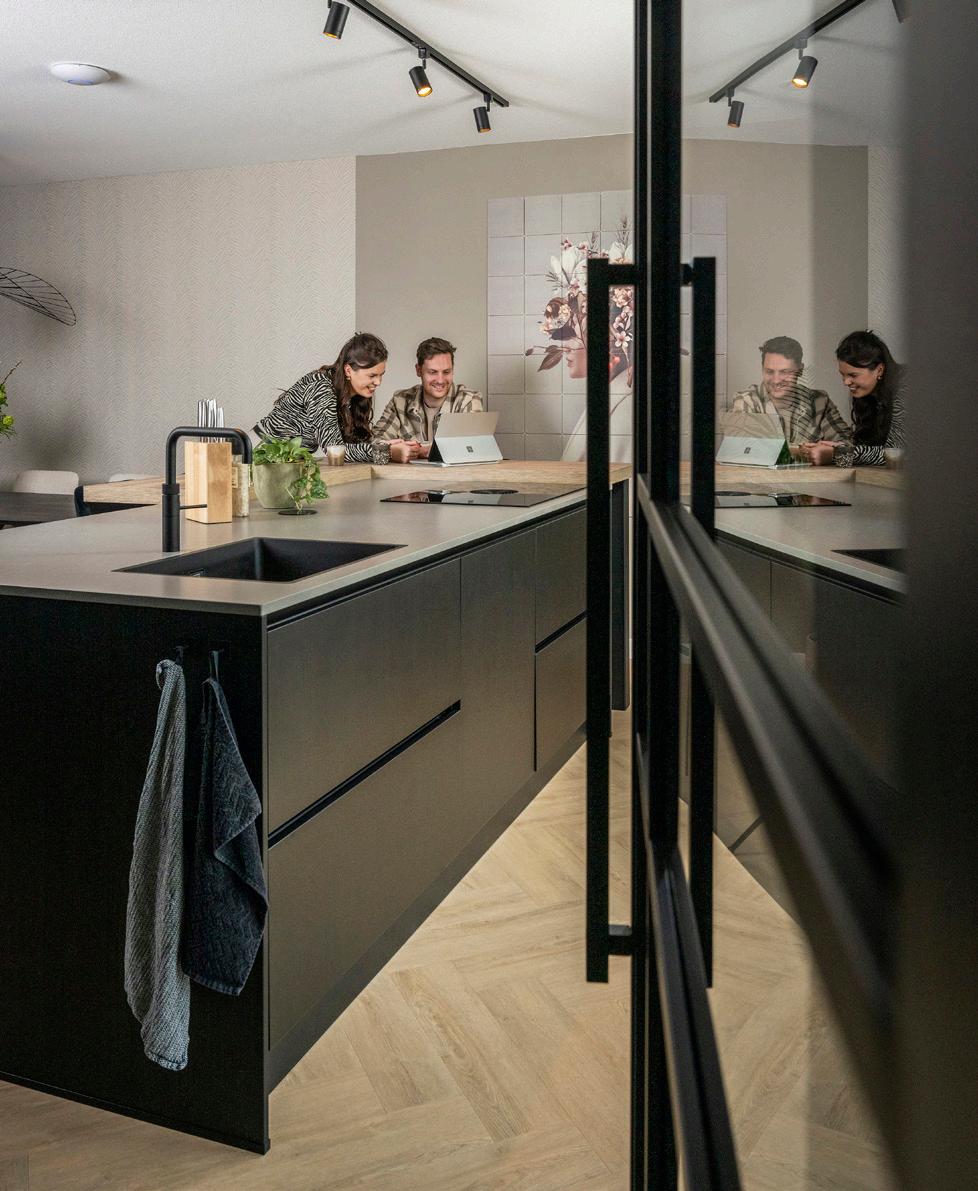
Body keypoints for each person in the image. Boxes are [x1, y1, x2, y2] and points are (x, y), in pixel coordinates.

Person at [253, 333, 417, 464]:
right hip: (255, 456)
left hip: (283, 462)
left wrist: (387, 446)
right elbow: (335, 451)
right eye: (372, 375)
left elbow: (355, 446)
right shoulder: (320, 387)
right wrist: (387, 452)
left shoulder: (355, 395)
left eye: (381, 375)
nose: (378, 382)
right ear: (348, 370)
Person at [731, 336, 850, 461]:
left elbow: (849, 444)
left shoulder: (820, 401)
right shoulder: (746, 401)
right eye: (769, 372)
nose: (776, 380)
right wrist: (799, 451)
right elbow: (738, 450)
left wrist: (832, 453)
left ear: (800, 370)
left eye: (784, 372)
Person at [371, 337, 483, 460]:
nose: (440, 380)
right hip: (409, 473)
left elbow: (473, 446)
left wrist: (418, 450)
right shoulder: (400, 401)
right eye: (433, 372)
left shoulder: (469, 400)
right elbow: (374, 442)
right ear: (418, 370)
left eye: (446, 372)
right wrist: (392, 451)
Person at [834, 330, 907, 467]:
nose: (846, 382)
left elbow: (895, 454)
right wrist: (837, 446)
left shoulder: (907, 387)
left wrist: (838, 453)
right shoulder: (868, 394)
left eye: (853, 375)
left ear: (879, 370)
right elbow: (869, 447)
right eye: (842, 374)